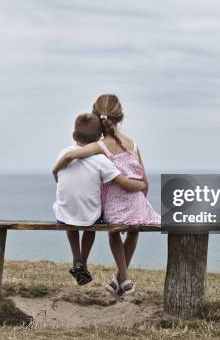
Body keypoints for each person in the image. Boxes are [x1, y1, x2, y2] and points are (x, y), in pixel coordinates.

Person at [52, 94, 160, 298]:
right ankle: (119, 279)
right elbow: (144, 181)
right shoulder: (133, 144)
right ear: (120, 117)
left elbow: (71, 155)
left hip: (114, 208)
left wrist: (55, 170)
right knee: (133, 231)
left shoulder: (99, 147)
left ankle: (124, 279)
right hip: (137, 205)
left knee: (113, 232)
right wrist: (142, 199)